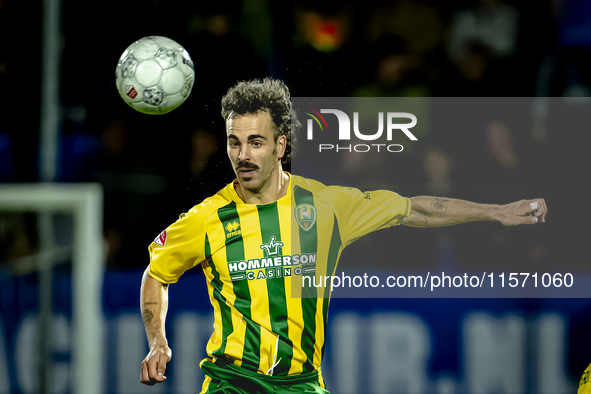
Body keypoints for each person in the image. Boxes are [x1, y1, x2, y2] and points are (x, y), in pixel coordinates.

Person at [139, 78, 547, 393]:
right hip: (233, 381)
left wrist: (495, 212)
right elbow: (156, 273)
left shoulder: (326, 206)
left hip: (303, 383)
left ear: (281, 145)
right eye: (235, 142)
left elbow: (414, 209)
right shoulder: (207, 218)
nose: (243, 155)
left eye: (256, 142)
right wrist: (157, 340)